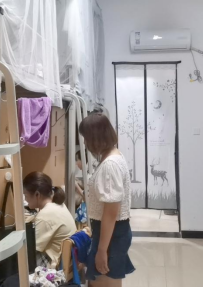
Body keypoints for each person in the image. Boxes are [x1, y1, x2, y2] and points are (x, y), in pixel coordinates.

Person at [79, 113, 135, 287]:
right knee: (107, 281)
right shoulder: (114, 156)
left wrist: (102, 250)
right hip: (112, 231)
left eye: (86, 138)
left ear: (95, 138)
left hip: (111, 233)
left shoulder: (110, 164)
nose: (85, 143)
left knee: (103, 282)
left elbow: (111, 212)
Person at [23, 171, 76, 269]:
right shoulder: (57, 205)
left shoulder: (45, 216)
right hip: (68, 260)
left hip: (55, 264)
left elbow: (31, 248)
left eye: (25, 195)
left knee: (22, 254)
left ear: (37, 194)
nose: (25, 199)